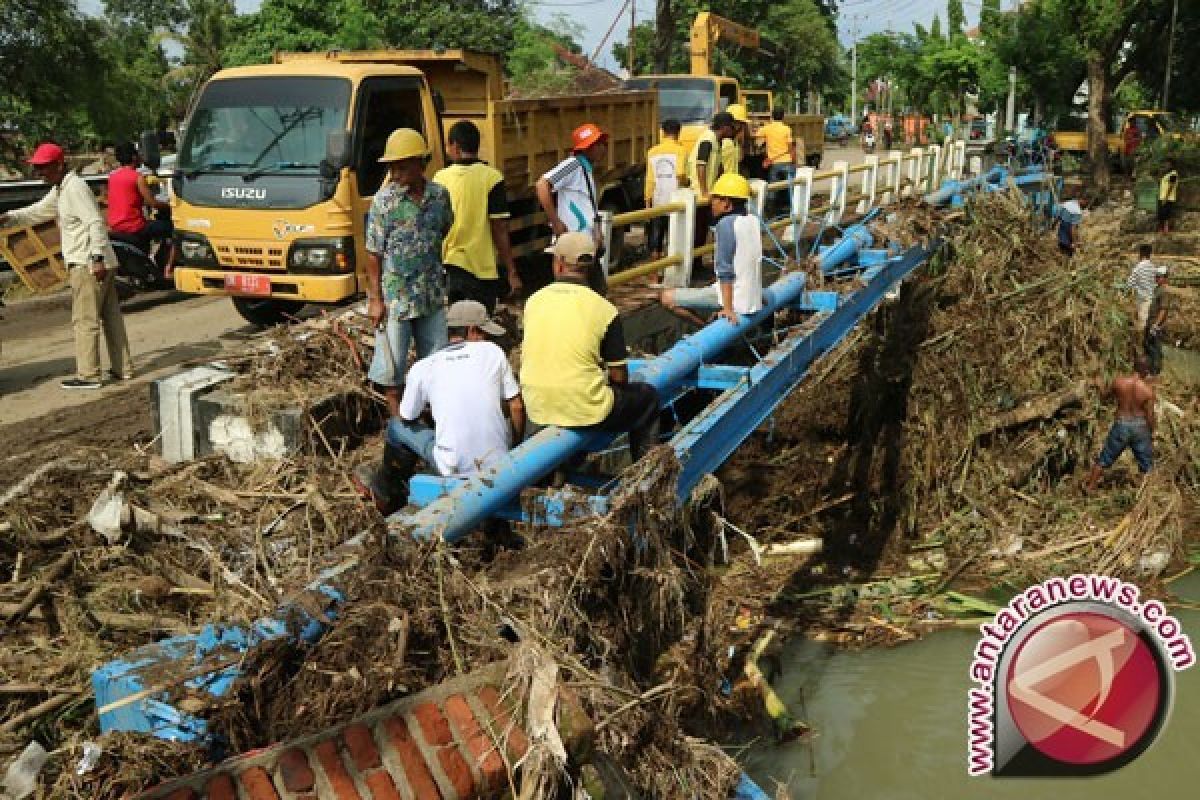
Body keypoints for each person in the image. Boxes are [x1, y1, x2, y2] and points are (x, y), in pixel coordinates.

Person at [354, 300, 524, 514]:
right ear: (472, 330)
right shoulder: (492, 352)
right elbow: (516, 406)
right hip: (497, 462)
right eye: (484, 333)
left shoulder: (424, 367)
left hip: (452, 468)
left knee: (397, 427)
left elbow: (407, 416)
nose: (487, 339)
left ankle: (387, 492)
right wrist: (515, 447)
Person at [0, 142, 132, 389]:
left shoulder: (74, 189)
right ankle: (122, 368)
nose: (39, 173)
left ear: (59, 165)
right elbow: (39, 211)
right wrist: (10, 217)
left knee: (85, 320)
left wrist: (96, 258)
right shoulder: (62, 189)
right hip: (97, 261)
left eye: (43, 167)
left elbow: (95, 223)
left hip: (87, 264)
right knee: (111, 318)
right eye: (37, 168)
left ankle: (89, 375)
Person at [521, 232, 660, 461]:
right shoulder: (604, 309)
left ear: (559, 264)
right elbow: (619, 376)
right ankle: (647, 475)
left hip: (537, 405)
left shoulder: (533, 301)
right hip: (585, 410)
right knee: (648, 398)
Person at [365, 128, 453, 417]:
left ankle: (434, 416)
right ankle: (398, 427)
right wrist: (376, 299)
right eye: (392, 167)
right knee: (393, 370)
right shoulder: (384, 203)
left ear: (420, 164)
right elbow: (373, 254)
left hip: (430, 294)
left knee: (436, 364)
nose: (395, 173)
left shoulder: (439, 197)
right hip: (396, 300)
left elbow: (444, 228)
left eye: (402, 166)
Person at [433, 120, 521, 312]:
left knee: (457, 324)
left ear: (455, 146)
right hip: (483, 271)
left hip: (451, 266)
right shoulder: (492, 178)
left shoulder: (440, 179)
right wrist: (511, 270)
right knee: (481, 326)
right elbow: (499, 228)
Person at [662, 173, 762, 328]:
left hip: (735, 297)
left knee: (666, 297)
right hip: (752, 296)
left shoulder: (726, 224)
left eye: (715, 198)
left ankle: (704, 328)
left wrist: (728, 309)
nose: (711, 203)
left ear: (726, 203)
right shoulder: (753, 220)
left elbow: (725, 270)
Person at [536, 122, 608, 293]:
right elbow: (542, 185)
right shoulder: (573, 165)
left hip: (583, 245)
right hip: (573, 247)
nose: (603, 148)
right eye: (598, 144)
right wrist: (556, 222)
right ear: (587, 148)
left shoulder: (584, 169)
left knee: (594, 293)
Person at [1085, 357, 1156, 491]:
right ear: (1146, 371)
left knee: (1104, 459)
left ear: (1133, 366)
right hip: (1140, 427)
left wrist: (1099, 384)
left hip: (1121, 425)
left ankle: (1090, 486)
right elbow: (1150, 416)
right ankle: (1146, 494)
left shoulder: (1119, 382)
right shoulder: (1148, 391)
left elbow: (1104, 397)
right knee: (1147, 465)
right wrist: (1151, 432)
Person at [107, 140, 173, 276]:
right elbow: (152, 203)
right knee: (174, 230)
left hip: (116, 226)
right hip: (135, 226)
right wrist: (171, 206)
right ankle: (169, 268)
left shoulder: (112, 177)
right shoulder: (137, 177)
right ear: (134, 157)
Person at [687, 111, 737, 269]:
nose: (733, 130)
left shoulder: (716, 141)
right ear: (724, 127)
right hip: (700, 193)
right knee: (699, 232)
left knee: (705, 230)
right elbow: (701, 165)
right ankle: (695, 265)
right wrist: (704, 191)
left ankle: (700, 263)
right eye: (731, 127)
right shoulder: (707, 140)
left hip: (709, 192)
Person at [644, 119, 688, 260]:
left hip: (658, 199)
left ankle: (654, 275)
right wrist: (686, 183)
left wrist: (647, 202)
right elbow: (680, 173)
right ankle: (671, 270)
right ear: (678, 133)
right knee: (674, 238)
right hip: (675, 201)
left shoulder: (652, 152)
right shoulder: (681, 151)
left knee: (656, 237)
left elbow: (650, 179)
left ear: (662, 132)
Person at [756, 108, 797, 216]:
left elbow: (756, 137)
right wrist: (794, 160)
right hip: (787, 161)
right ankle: (792, 212)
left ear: (772, 116)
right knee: (791, 188)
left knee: (773, 189)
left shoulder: (767, 128)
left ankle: (771, 214)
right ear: (783, 116)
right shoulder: (786, 129)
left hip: (774, 164)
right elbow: (790, 146)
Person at [1143, 266, 1171, 376]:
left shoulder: (1164, 291)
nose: (1156, 278)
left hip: (1156, 326)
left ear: (1165, 278)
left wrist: (1155, 325)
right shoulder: (1157, 289)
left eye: (1159, 276)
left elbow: (1163, 310)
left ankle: (1155, 373)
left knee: (1155, 350)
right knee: (1149, 347)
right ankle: (1149, 370)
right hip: (1151, 324)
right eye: (1156, 276)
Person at [1126, 243, 1160, 331]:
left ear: (1141, 254)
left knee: (1141, 324)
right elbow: (1156, 284)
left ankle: (1140, 341)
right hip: (1151, 299)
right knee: (1145, 322)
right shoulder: (1153, 268)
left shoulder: (1138, 267)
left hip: (1141, 299)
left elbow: (1129, 283)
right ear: (1149, 254)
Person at [721, 104, 750, 178]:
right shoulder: (724, 142)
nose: (742, 126)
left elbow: (740, 158)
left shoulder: (735, 142)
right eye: (741, 124)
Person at [1158, 164, 1178, 234]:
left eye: (1167, 164)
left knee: (1166, 214)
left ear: (1171, 164)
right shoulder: (1167, 174)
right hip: (1162, 197)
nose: (1166, 165)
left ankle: (1166, 229)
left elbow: (1171, 186)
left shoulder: (1173, 173)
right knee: (1161, 214)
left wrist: (1166, 198)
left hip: (1168, 198)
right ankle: (1161, 229)